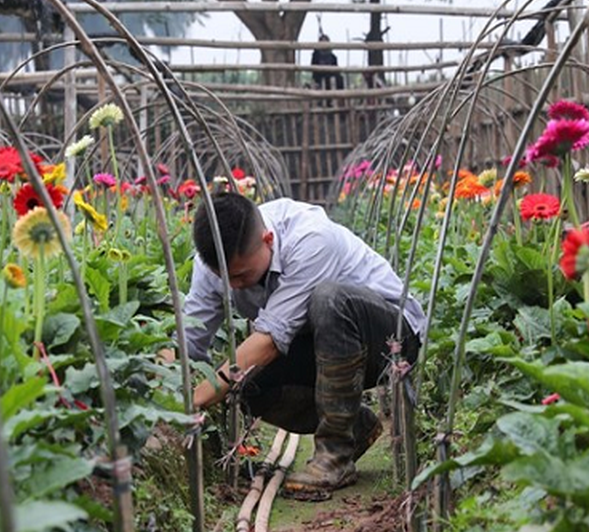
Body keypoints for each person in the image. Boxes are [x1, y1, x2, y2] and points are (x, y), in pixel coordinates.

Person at [182, 192, 426, 495]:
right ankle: (356, 427)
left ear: (268, 239)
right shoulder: (209, 266)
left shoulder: (311, 238)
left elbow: (269, 341)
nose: (233, 285)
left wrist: (194, 399)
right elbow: (188, 340)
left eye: (241, 275)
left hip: (390, 340)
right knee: (247, 385)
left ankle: (334, 456)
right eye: (224, 278)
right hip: (319, 345)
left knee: (329, 300)